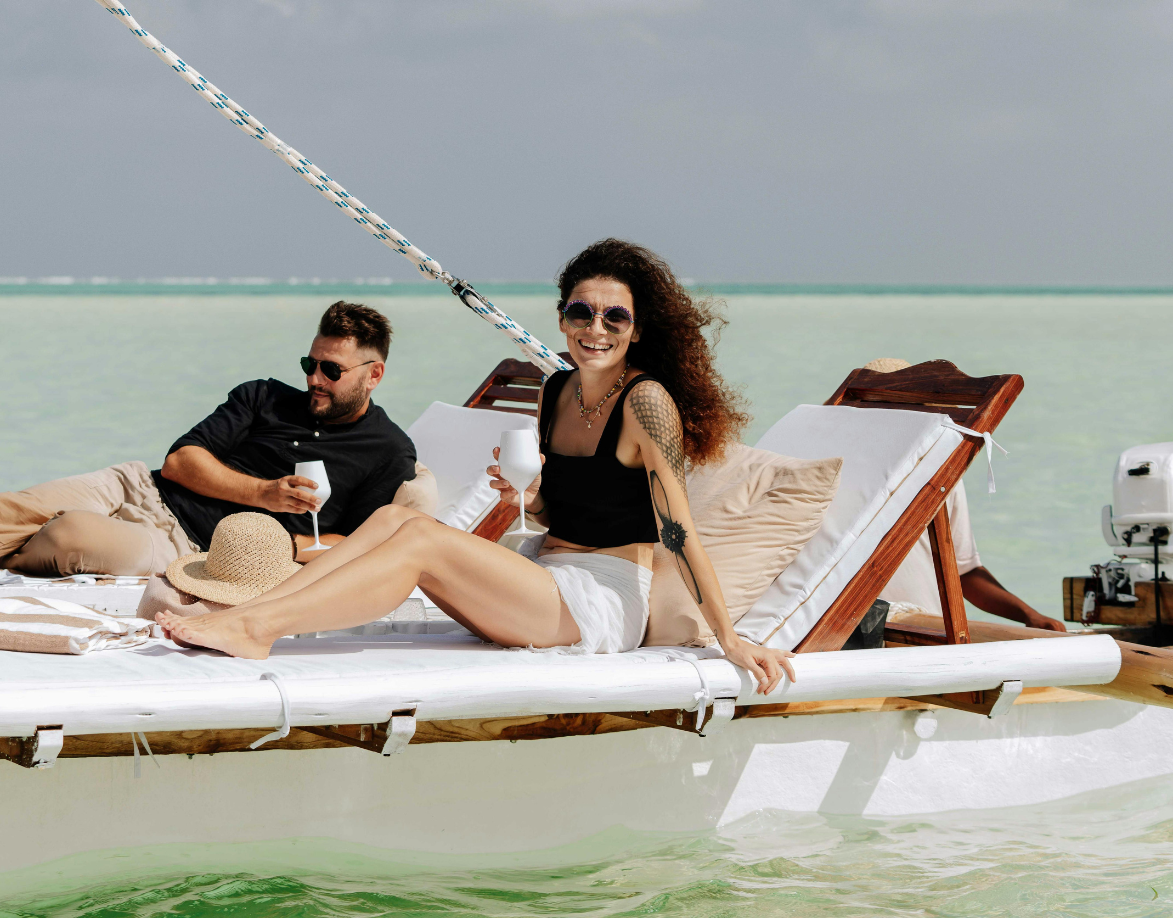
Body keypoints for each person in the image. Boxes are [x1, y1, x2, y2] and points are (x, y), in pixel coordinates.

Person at [157, 239, 798, 694]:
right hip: (546, 577)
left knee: (421, 540)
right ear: (561, 317)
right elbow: (559, 512)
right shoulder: (557, 390)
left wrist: (729, 638)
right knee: (388, 518)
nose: (594, 326)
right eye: (580, 311)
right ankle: (253, 614)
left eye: (614, 315)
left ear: (637, 328)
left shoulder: (647, 401)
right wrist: (532, 495)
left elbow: (677, 530)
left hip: (599, 604)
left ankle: (256, 627)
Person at [0, 301, 418, 584]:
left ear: (373, 373)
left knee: (69, 536)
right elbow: (182, 461)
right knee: (4, 508)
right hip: (140, 486)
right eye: (311, 363)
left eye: (332, 371)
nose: (315, 379)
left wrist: (279, 533)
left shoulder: (387, 452)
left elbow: (357, 542)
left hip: (188, 544)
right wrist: (262, 490)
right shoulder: (262, 395)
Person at [862, 358, 1067, 631]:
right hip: (857, 637)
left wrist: (1029, 615)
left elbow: (963, 571)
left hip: (929, 634)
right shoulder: (835, 476)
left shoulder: (943, 477)